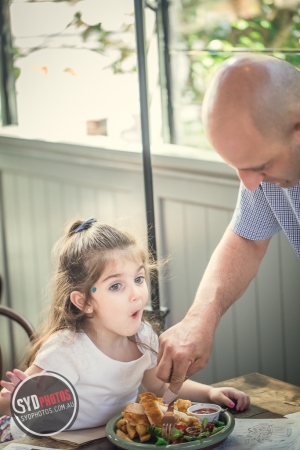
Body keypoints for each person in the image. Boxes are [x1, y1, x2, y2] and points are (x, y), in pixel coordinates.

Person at [0, 218, 250, 442]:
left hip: (103, 440)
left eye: (138, 279)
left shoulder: (142, 337)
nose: (136, 294)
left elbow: (161, 388)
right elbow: (6, 402)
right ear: (84, 301)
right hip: (45, 442)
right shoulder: (66, 350)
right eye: (116, 285)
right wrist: (18, 401)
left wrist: (210, 393)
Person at [156, 54, 300, 395]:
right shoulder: (264, 169)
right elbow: (247, 238)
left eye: (260, 166)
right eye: (238, 167)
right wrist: (200, 318)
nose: (250, 183)